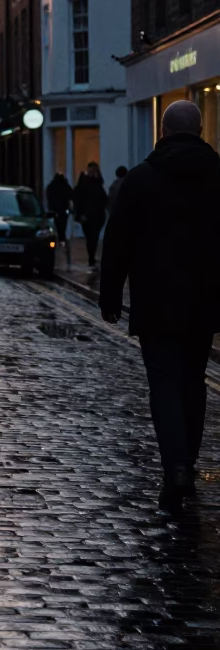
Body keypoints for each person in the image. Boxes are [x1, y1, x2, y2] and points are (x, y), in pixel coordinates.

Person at [100, 100, 220, 510]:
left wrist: (111, 297)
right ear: (201, 131)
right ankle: (184, 460)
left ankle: (177, 469)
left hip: (156, 302)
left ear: (163, 132)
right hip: (205, 302)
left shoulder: (140, 180)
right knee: (194, 382)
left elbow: (116, 244)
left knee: (165, 386)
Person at [73, 161, 107, 269]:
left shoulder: (98, 183)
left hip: (97, 216)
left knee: (94, 237)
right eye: (90, 170)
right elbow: (78, 199)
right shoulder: (84, 182)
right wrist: (81, 213)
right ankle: (91, 257)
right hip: (87, 216)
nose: (92, 172)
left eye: (94, 170)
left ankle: (91, 257)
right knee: (89, 237)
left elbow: (103, 199)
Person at [45, 171, 73, 251]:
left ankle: (58, 240)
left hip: (55, 210)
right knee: (62, 226)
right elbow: (70, 195)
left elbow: (49, 196)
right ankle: (61, 240)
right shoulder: (65, 186)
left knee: (56, 226)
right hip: (63, 210)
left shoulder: (51, 186)